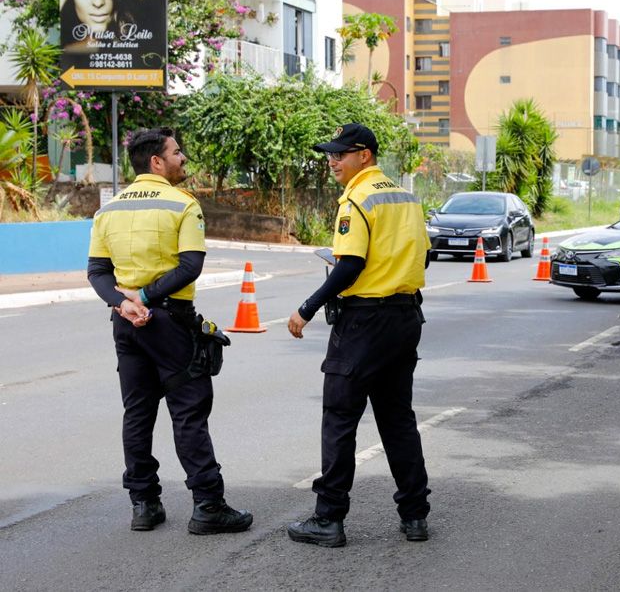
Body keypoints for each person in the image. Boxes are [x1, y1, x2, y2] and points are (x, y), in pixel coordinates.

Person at [87, 127, 253, 534]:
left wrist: (124, 303)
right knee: (189, 411)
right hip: (170, 323)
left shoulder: (109, 210)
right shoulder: (183, 204)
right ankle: (208, 505)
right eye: (177, 152)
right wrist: (145, 297)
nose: (184, 159)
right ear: (156, 161)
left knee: (137, 413)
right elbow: (190, 266)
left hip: (127, 324)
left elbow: (97, 272)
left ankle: (143, 504)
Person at [287, 123, 432, 547]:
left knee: (339, 418)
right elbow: (423, 254)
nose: (332, 162)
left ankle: (328, 518)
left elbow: (350, 265)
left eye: (340, 155)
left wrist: (306, 308)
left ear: (364, 155)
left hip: (364, 323)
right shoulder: (406, 197)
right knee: (398, 419)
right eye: (329, 155)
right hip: (404, 318)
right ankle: (415, 516)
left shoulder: (357, 198)